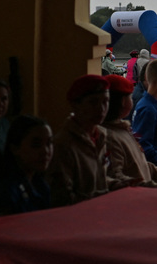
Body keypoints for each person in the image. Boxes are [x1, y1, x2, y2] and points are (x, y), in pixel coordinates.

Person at [47, 75, 118, 207]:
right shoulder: (64, 145)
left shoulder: (101, 136)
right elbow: (63, 199)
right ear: (75, 105)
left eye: (105, 102)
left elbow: (102, 178)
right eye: (93, 102)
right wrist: (103, 198)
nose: (102, 109)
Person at [103, 75, 157, 188]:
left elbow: (138, 162)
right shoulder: (110, 138)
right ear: (123, 102)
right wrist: (152, 186)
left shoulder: (124, 129)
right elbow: (117, 178)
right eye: (130, 97)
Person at [0, 115, 53, 216]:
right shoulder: (6, 192)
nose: (45, 151)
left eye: (49, 143)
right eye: (36, 145)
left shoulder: (40, 185)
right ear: (15, 148)